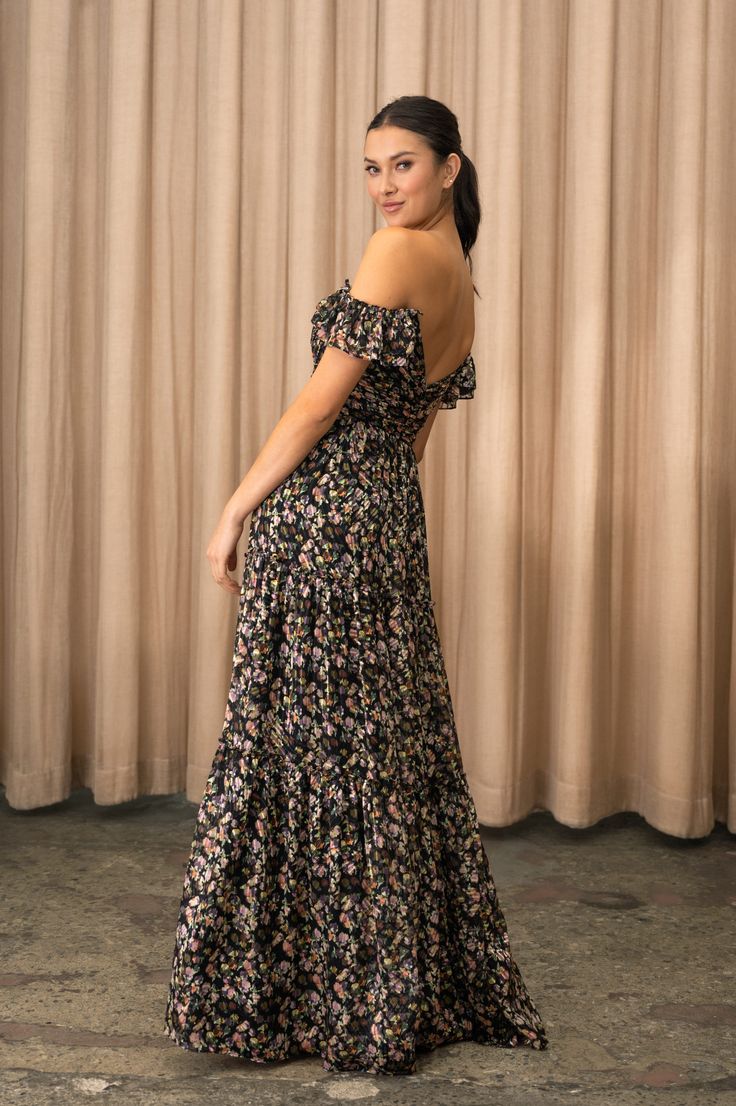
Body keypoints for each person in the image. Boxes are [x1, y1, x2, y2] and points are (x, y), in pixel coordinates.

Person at [164, 94, 549, 1076]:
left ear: (450, 168)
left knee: (298, 744)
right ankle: (382, 984)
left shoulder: (392, 259)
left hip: (324, 522)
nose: (385, 186)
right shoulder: (460, 278)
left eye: (404, 165)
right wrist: (369, 507)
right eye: (371, 167)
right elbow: (413, 432)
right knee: (378, 751)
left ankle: (297, 991)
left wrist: (236, 506)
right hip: (386, 525)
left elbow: (316, 401)